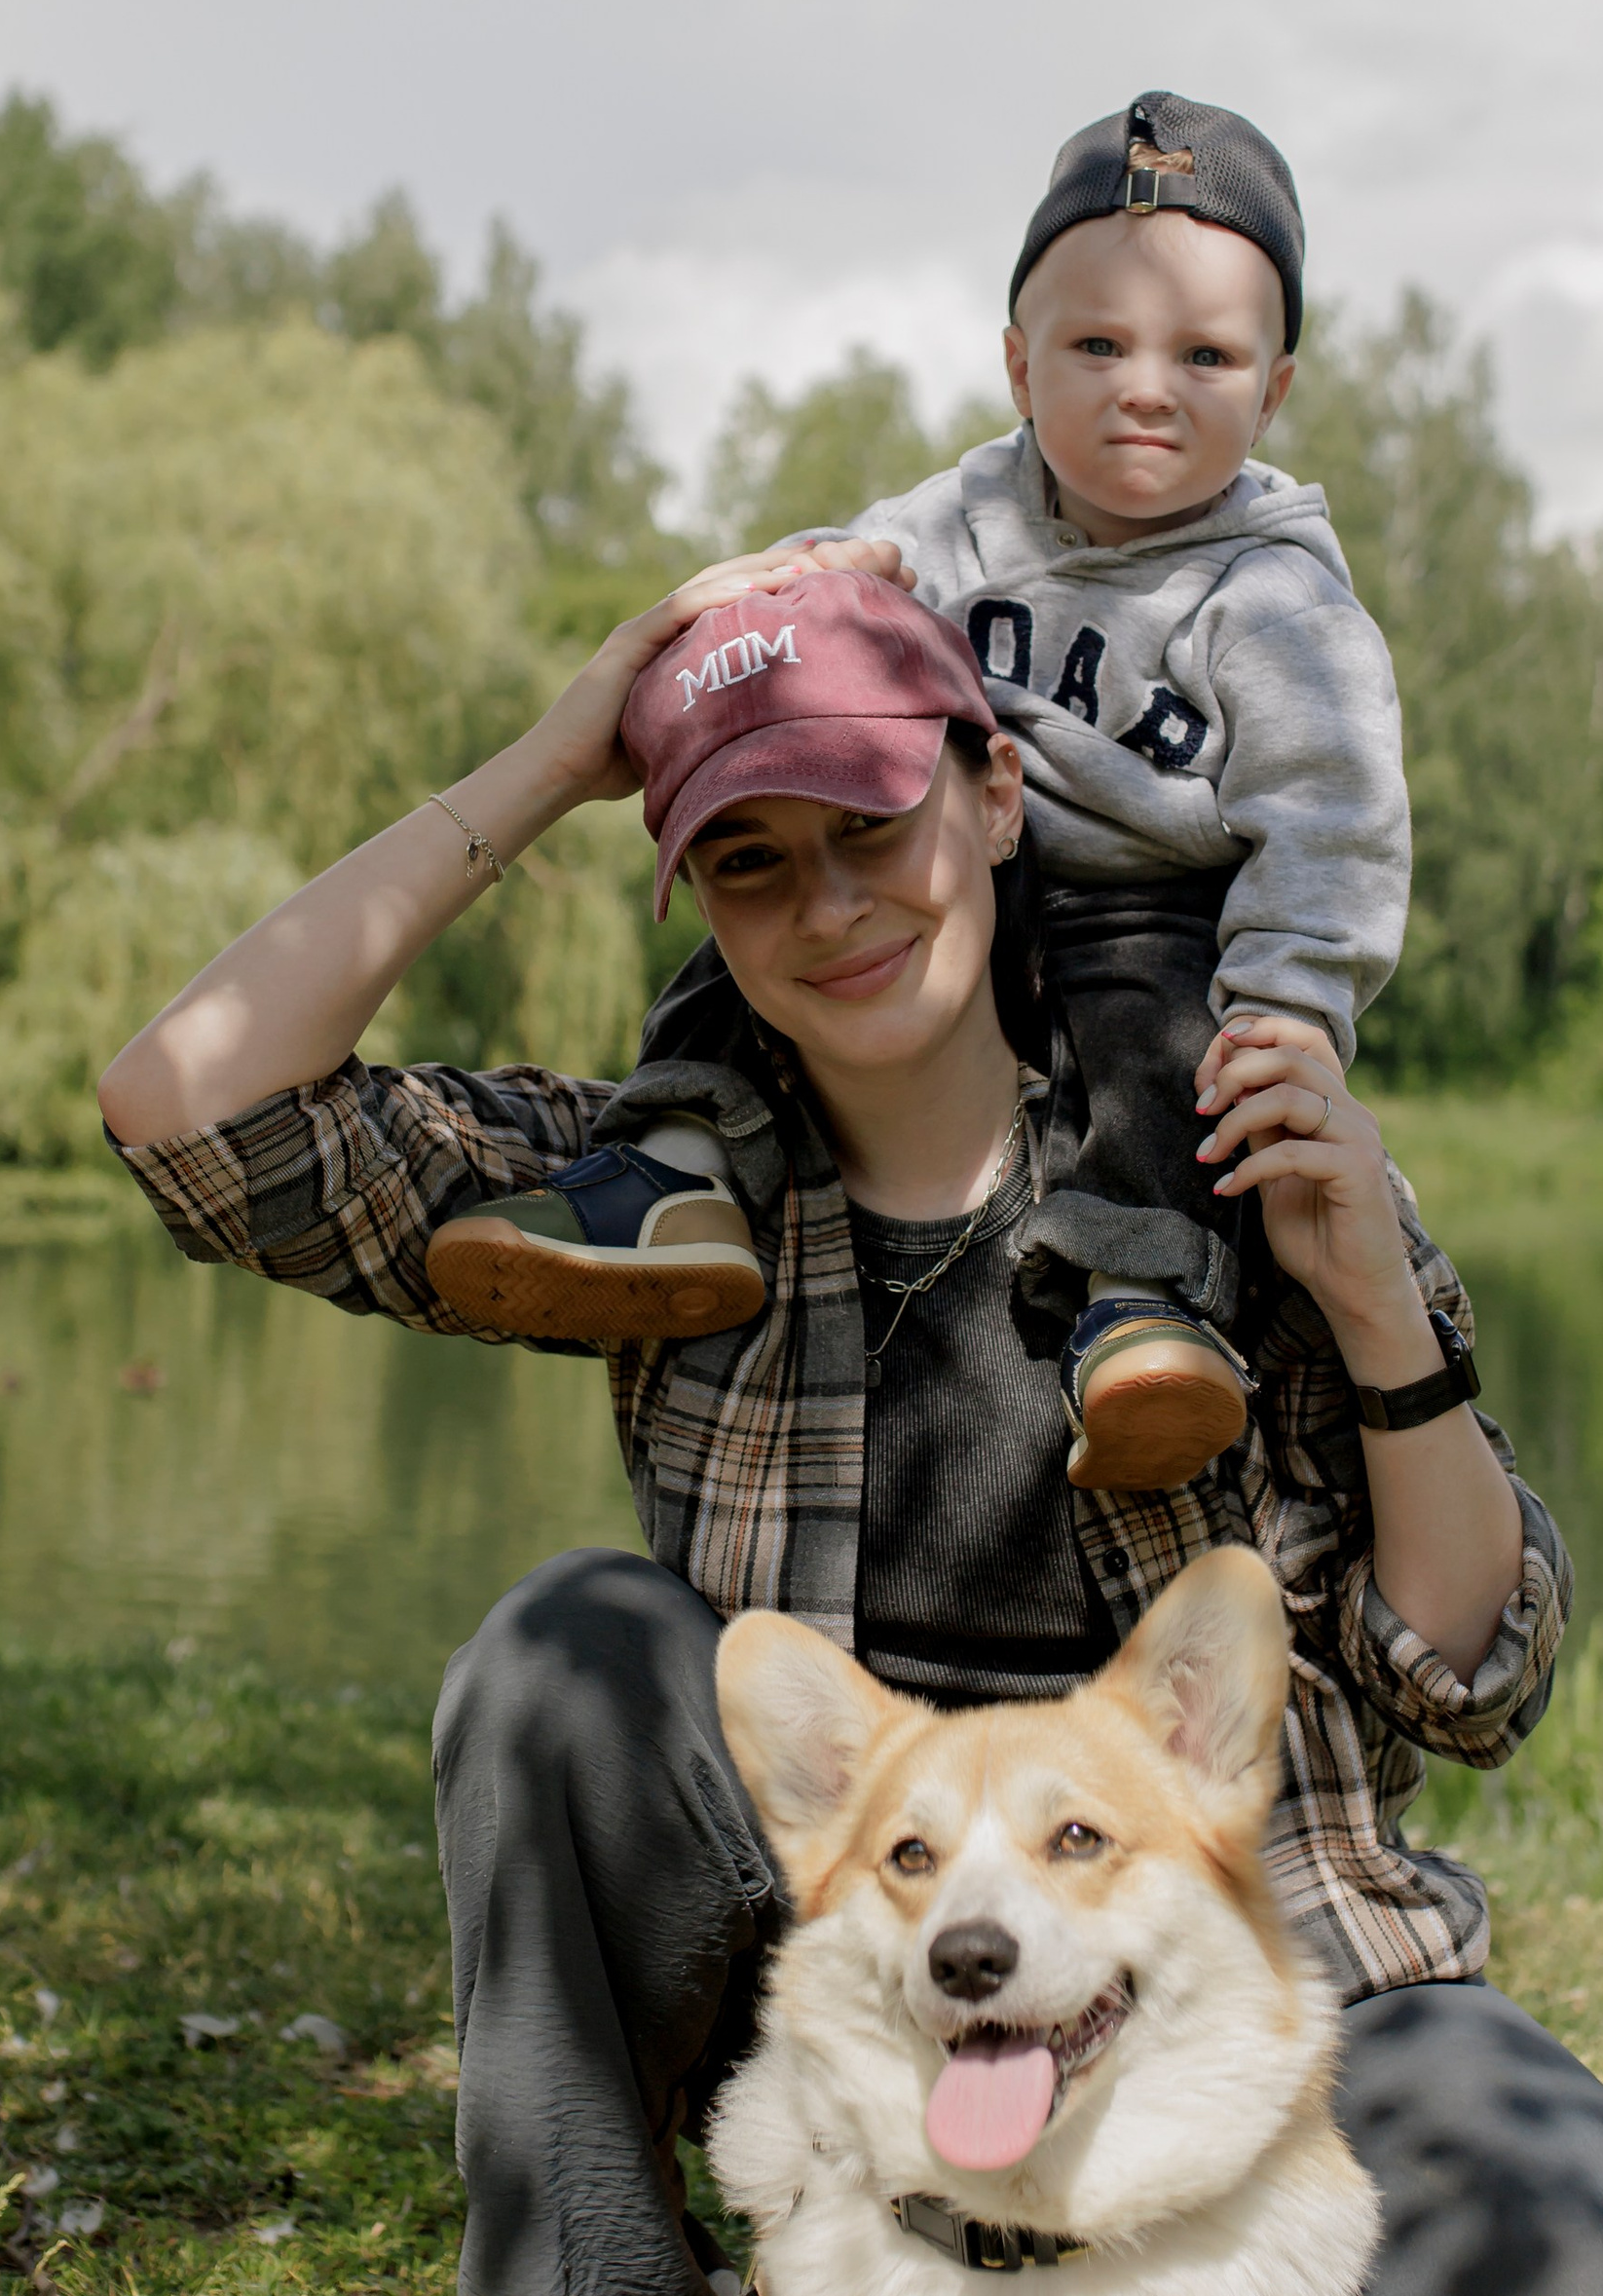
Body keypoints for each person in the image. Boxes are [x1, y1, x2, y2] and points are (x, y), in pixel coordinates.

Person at [97, 559, 1603, 2296]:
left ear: (991, 794)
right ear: (698, 906)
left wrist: (1376, 1317)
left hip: (1257, 1968)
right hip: (868, 1990)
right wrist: (549, 759)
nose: (829, 908)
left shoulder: (1214, 1154)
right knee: (560, 1662)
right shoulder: (649, 1195)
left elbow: (1470, 1684)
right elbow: (190, 1114)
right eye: (751, 862)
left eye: (872, 826)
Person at [429, 92, 1411, 1500]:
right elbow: (832, 585)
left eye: (1206, 355)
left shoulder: (1280, 603)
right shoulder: (962, 521)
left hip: (1149, 904)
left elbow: (1335, 832)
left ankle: (1143, 1312)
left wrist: (1293, 1014)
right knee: (766, 928)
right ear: (1018, 366)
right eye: (1097, 346)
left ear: (1274, 391)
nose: (1147, 388)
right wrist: (781, 597)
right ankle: (677, 1170)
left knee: (1169, 1056)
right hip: (959, 869)